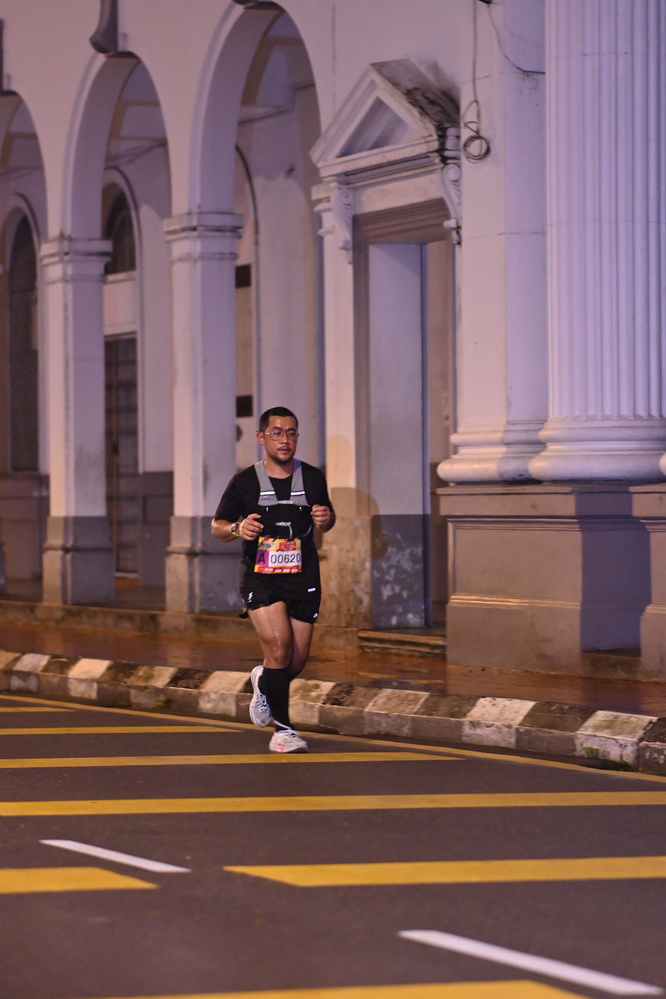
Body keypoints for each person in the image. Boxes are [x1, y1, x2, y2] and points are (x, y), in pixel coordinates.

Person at [211, 406, 336, 753]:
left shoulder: (313, 478)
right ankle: (284, 731)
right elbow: (217, 526)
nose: (285, 440)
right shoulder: (245, 482)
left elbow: (327, 518)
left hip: (303, 575)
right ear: (261, 437)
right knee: (279, 646)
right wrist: (238, 528)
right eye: (277, 433)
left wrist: (326, 517)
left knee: (295, 660)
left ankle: (264, 680)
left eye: (291, 433)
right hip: (260, 577)